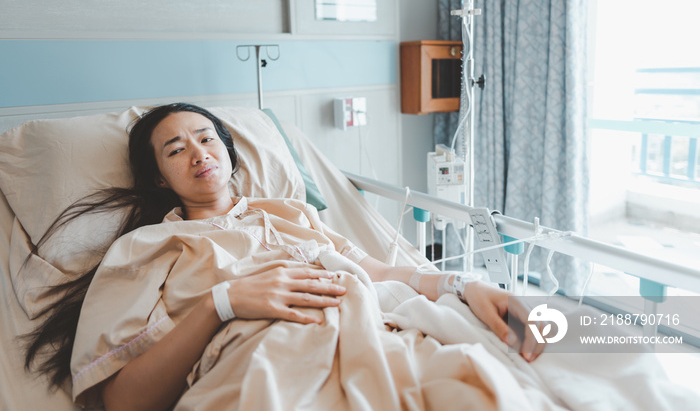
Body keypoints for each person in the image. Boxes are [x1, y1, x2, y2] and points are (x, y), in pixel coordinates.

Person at [24, 103, 544, 410]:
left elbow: (381, 273)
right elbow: (123, 401)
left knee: (485, 388)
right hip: (267, 368)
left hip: (378, 337)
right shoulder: (146, 248)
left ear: (229, 152)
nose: (198, 152)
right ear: (160, 177)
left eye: (206, 138)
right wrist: (220, 304)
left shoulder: (295, 212)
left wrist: (465, 286)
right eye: (175, 149)